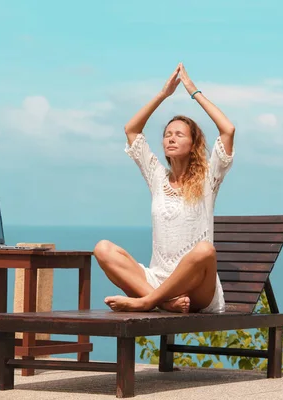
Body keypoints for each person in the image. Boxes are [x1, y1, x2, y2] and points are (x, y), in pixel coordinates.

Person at [93, 62, 236, 314]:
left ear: (193, 144)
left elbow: (228, 129)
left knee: (204, 251)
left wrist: (193, 90)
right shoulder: (157, 178)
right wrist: (163, 94)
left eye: (179, 134)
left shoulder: (208, 179)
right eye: (168, 134)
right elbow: (132, 129)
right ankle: (163, 301)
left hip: (197, 289)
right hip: (157, 281)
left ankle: (148, 302)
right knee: (102, 249)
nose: (171, 137)